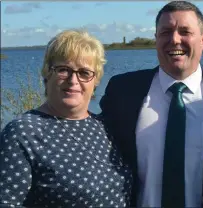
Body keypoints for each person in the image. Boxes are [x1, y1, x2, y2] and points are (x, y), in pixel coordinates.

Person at [99, 1, 203, 207]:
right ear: (156, 40)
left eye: (184, 31)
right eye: (165, 32)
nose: (174, 40)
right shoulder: (123, 91)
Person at [0, 29, 132, 207]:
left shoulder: (105, 126)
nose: (73, 80)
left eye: (84, 73)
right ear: (47, 73)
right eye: (63, 70)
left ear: (96, 80)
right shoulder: (23, 133)